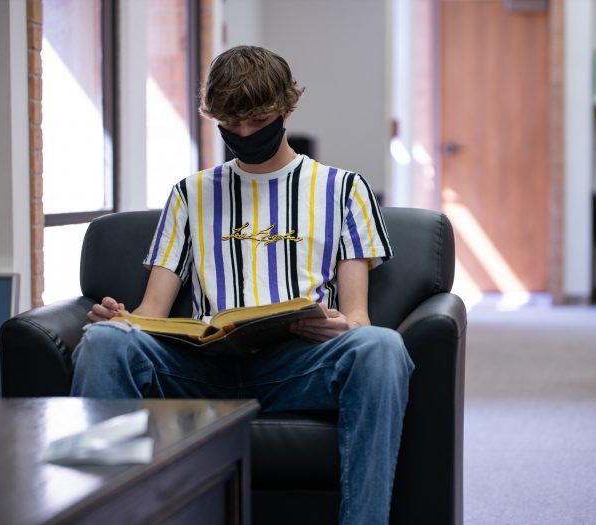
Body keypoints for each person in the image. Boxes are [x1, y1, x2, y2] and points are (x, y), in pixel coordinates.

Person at [70, 45, 414, 525]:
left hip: (297, 365)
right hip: (203, 366)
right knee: (104, 342)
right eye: (231, 125)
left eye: (258, 121)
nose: (245, 134)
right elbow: (153, 311)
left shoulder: (342, 189)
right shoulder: (190, 193)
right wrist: (121, 323)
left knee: (381, 347)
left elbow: (359, 319)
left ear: (286, 109)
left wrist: (338, 326)